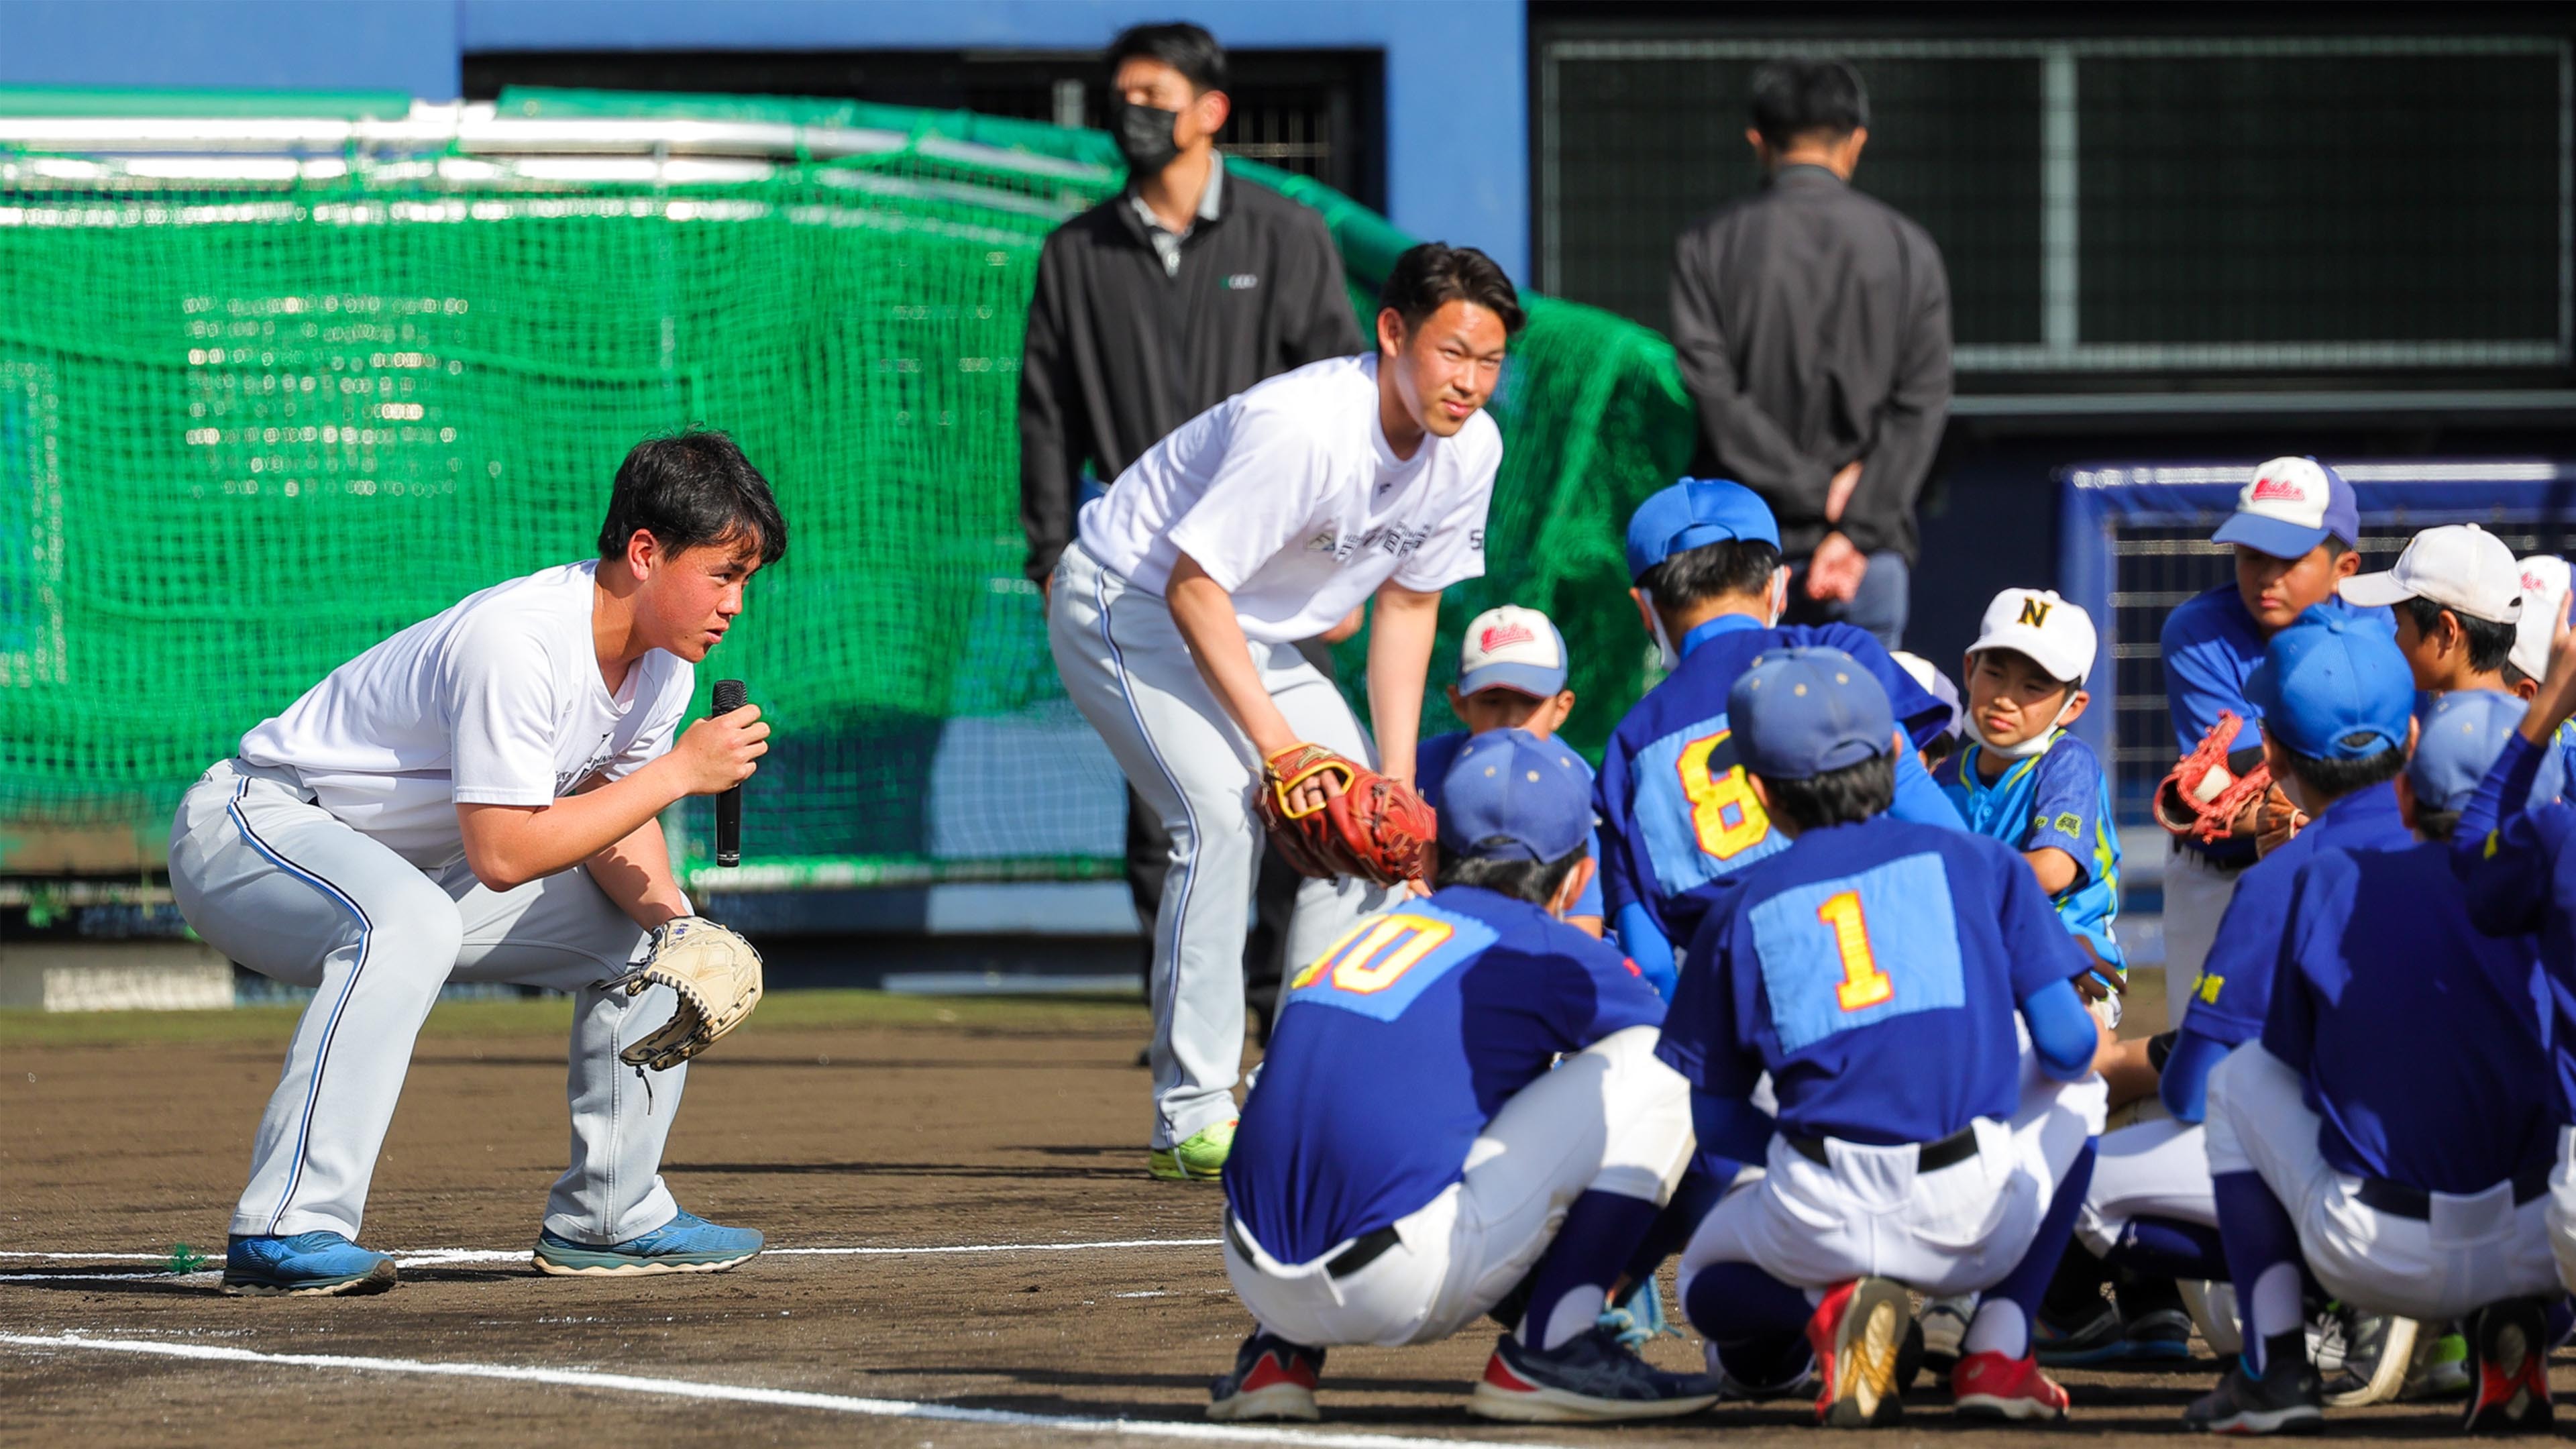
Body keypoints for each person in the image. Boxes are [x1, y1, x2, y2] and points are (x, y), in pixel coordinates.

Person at [166, 433, 784, 1295]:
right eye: (724, 573)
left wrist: (678, 925)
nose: (736, 604)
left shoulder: (662, 674)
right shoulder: (520, 640)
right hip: (253, 831)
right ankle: (287, 1224)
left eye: (745, 580)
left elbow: (609, 823)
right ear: (645, 553)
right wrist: (681, 771)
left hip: (410, 873)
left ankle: (610, 1215)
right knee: (403, 922)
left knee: (648, 956)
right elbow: (504, 854)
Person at [1047, 244, 1518, 1181]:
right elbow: (1190, 588)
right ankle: (1190, 1117)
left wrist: (1393, 785)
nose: (1469, 382)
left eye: (1489, 361)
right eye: (1451, 352)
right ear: (1392, 334)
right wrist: (1281, 754)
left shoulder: (1473, 450)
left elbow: (1410, 606)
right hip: (1126, 602)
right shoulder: (1303, 426)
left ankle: (1296, 1089)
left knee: (1367, 837)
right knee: (1219, 815)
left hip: (1248, 624)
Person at [1016, 21, 1366, 1023]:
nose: (1134, 112)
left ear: (1210, 111)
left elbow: (1341, 395)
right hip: (1134, 578)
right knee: (1172, 806)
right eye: (1121, 94)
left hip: (1275, 580)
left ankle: (1306, 1016)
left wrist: (1335, 567)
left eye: (1154, 95)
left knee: (1303, 780)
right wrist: (1050, 552)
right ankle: (1190, 1023)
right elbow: (1045, 414)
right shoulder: (1075, 253)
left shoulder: (1284, 234)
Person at [1210, 732, 1708, 1424]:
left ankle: (1276, 1356)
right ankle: (1555, 1348)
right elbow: (1696, 1060)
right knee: (1667, 1068)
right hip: (1398, 1283)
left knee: (1341, 1089)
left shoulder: (1362, 939)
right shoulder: (1546, 943)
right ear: (1572, 879)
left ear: (1434, 858)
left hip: (1250, 1269)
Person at [1662, 650, 2105, 1426]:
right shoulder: (1983, 865)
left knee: (1703, 1280)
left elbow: (1719, 1125)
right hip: (1974, 1216)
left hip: (1816, 1206)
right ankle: (1999, 1347)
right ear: (1899, 753)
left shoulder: (1737, 909)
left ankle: (1826, 1313)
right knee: (2084, 1091)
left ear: (1761, 793)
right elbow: (2070, 1046)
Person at [2191, 688, 2560, 1435]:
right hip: (2543, 1247)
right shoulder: (2556, 895)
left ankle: (2275, 1371)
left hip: (2373, 1253)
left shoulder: (2331, 876)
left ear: (2402, 795)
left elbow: (2295, 1061)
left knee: (2237, 1082)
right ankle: (2520, 1330)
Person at [2146, 608, 2428, 1405]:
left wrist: (2155, 1058)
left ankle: (2293, 1340)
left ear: (2267, 753)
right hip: (2536, 1238)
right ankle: (2491, 1335)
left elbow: (2190, 1094)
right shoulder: (2501, 853)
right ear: (2413, 736)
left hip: (2367, 1228)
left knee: (2105, 1176)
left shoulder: (2280, 881)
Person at [1593, 477, 1959, 998]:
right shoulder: (1839, 651)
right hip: (1895, 976)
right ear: (1779, 585)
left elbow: (1649, 961)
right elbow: (1940, 829)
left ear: (1643, 607)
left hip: (1744, 1017)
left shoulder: (1629, 743)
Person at [1667, 56, 1951, 651]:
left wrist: (1810, 489)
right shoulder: (1909, 248)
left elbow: (1713, 393)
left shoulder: (1706, 246)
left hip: (1739, 557)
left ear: (1758, 143)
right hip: (1865, 558)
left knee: (1735, 737)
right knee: (1865, 737)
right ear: (1856, 143)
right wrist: (1854, 525)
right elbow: (1921, 405)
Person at [2155, 458, 2380, 1032]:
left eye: (2290, 558)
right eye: (2253, 555)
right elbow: (2233, 782)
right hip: (2220, 877)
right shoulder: (2198, 629)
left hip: (2344, 867)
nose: (2266, 576)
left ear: (2344, 568)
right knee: (2208, 1063)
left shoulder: (2381, 633)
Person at [1933, 588, 2122, 998]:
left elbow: (2053, 870)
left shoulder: (2068, 763)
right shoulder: (1946, 775)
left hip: (2072, 961)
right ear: (1969, 669)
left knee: (2063, 1049)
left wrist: (1947, 876)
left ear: (2073, 706)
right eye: (1995, 674)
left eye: (2034, 686)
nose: (2005, 698)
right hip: (1980, 959)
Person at [1413, 605, 1605, 938]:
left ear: (1562, 708)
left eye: (1529, 701)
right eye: (1492, 701)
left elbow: (1582, 930)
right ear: (1459, 704)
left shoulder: (1575, 788)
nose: (1511, 719)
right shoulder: (1420, 770)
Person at [2339, 523, 2522, 696]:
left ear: (2447, 631)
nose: (2395, 640)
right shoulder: (2524, 722)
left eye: (2399, 624)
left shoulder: (2451, 726)